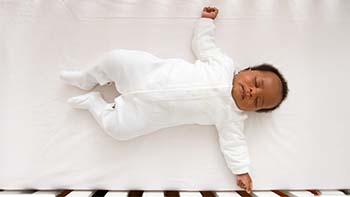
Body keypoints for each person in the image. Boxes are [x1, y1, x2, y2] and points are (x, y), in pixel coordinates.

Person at [60, 6, 288, 193]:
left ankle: (94, 103)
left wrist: (241, 170)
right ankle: (87, 77)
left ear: (252, 111)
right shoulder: (223, 64)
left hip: (148, 114)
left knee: (119, 130)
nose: (252, 92)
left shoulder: (232, 118)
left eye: (258, 101)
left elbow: (234, 144)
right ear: (247, 69)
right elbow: (203, 45)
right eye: (256, 83)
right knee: (116, 59)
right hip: (147, 73)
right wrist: (206, 23)